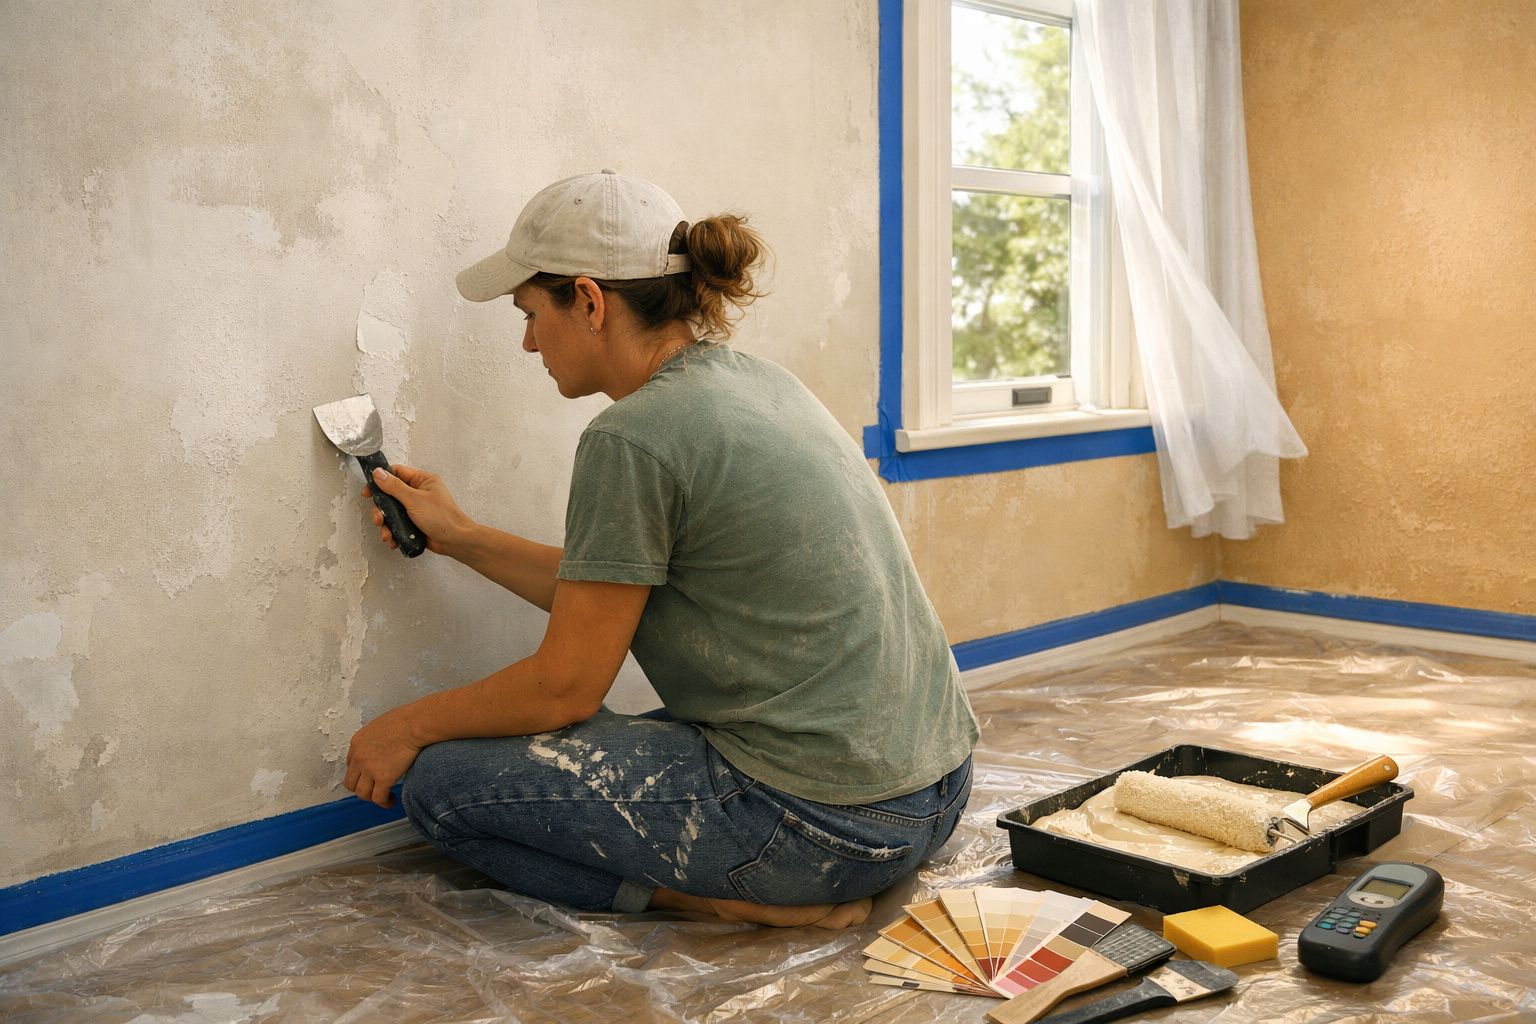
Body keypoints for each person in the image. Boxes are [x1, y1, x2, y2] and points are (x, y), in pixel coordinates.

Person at [343, 170, 979, 929]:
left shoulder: (633, 437)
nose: (525, 342)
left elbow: (564, 687)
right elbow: (612, 590)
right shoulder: (759, 385)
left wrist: (403, 727)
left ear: (588, 300)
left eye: (529, 313)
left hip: (828, 831)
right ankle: (765, 877)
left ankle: (731, 902)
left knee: (439, 785)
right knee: (561, 735)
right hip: (934, 792)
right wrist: (465, 538)